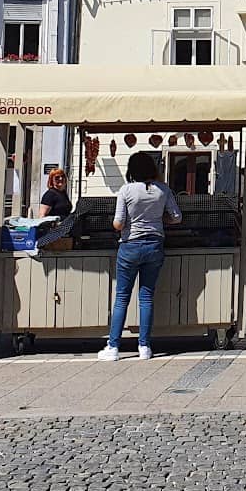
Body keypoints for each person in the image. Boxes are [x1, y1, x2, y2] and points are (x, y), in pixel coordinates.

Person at [98, 152, 182, 361]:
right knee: (146, 297)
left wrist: (125, 223)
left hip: (130, 245)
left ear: (132, 169)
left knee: (122, 298)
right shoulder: (163, 190)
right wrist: (159, 219)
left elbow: (118, 223)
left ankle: (113, 347)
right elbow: (177, 217)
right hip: (155, 245)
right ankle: (144, 346)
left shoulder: (126, 190)